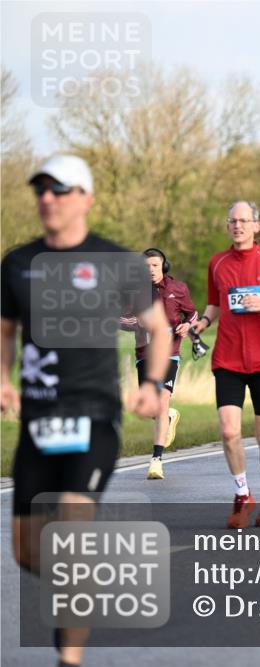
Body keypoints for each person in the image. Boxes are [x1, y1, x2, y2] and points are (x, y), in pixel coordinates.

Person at [1, 154, 170, 667]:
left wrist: (151, 385)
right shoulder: (17, 263)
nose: (48, 198)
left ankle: (67, 660)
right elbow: (5, 331)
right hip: (38, 422)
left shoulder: (117, 262)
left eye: (61, 189)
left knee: (71, 528)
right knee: (29, 552)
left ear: (87, 199)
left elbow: (159, 328)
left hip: (95, 418)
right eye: (42, 190)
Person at [190, 200, 260, 529]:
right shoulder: (218, 263)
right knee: (229, 431)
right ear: (228, 226)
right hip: (229, 358)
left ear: (256, 225)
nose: (237, 226)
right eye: (232, 221)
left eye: (244, 220)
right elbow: (214, 303)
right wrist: (203, 322)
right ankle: (241, 494)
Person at [120, 248, 199, 480]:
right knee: (151, 407)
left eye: (155, 265)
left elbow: (193, 315)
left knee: (162, 400)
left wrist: (187, 327)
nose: (151, 270)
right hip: (145, 354)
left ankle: (156, 460)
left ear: (163, 266)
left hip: (170, 353)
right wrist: (137, 322)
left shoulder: (178, 289)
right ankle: (169, 417)